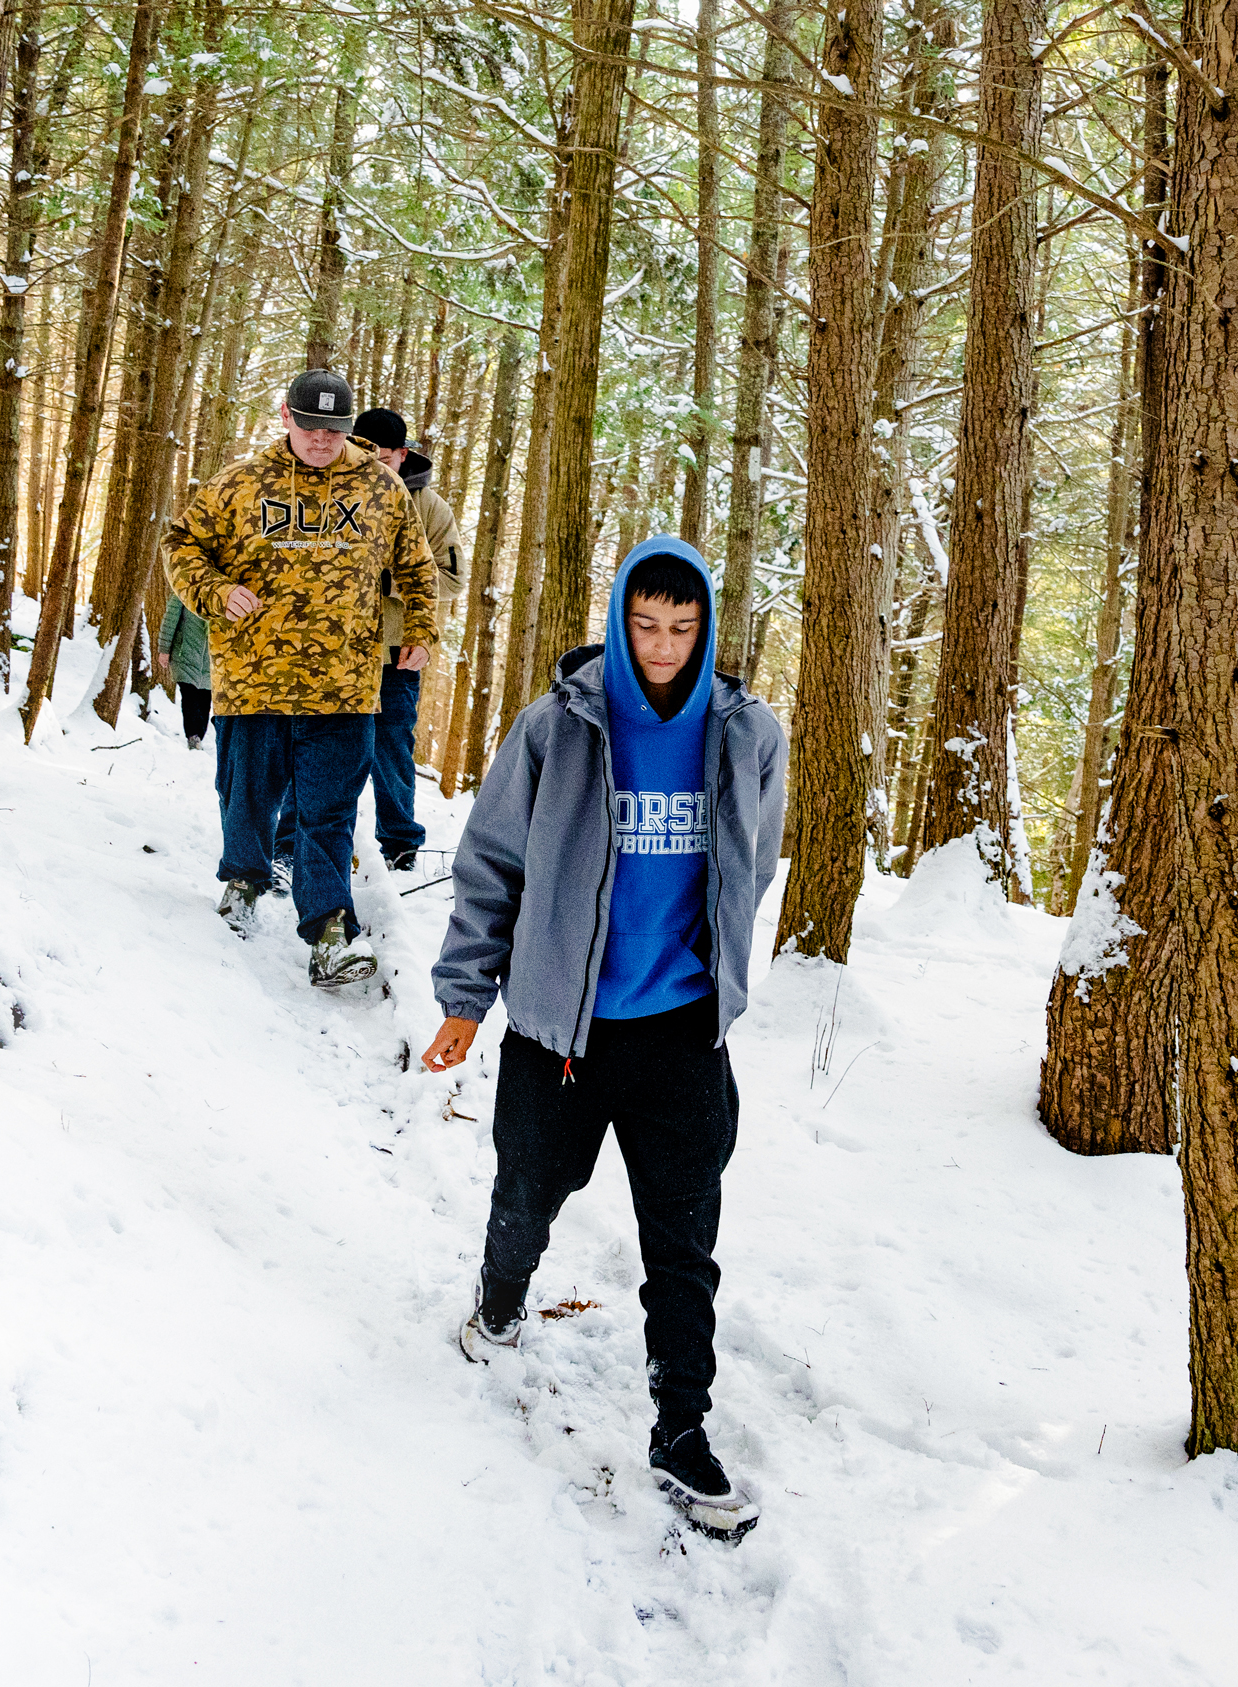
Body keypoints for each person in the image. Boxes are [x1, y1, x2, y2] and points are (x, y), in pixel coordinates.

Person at [422, 536, 786, 1541]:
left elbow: (752, 865)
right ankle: (500, 1301)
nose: (663, 646)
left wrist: (719, 980)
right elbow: (491, 863)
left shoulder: (747, 734)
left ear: (704, 630)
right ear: (620, 620)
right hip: (561, 1033)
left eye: (683, 628)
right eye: (646, 624)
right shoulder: (558, 727)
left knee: (684, 1243)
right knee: (527, 1191)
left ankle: (682, 1428)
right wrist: (465, 998)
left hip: (682, 1034)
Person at [165, 368, 440, 988]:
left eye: (334, 429)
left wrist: (421, 632)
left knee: (329, 812)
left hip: (346, 684)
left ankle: (330, 931)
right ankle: (243, 881)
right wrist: (215, 591)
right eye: (310, 426)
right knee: (247, 795)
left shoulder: (381, 487)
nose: (321, 439)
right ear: (286, 416)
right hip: (253, 677)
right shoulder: (240, 483)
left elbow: (417, 567)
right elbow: (181, 546)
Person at [349, 407, 464, 869]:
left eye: (384, 458)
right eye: (365, 454)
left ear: (402, 454)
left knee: (392, 748)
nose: (375, 466)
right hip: (334, 648)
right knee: (319, 745)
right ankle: (295, 838)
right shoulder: (332, 491)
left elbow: (452, 579)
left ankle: (400, 845)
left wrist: (390, 581)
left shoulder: (430, 508)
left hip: (398, 652)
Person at [156, 584, 213, 750]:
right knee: (189, 696)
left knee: (205, 699)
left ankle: (199, 735)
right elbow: (170, 619)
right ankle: (193, 736)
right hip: (185, 654)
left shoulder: (220, 590)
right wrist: (164, 650)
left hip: (210, 660)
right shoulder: (183, 588)